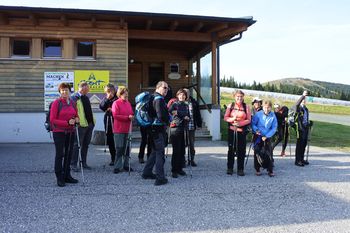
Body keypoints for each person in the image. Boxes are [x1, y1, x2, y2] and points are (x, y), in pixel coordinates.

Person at [50, 82, 79, 187]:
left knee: (69, 154)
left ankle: (67, 175)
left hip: (70, 132)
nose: (64, 92)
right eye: (62, 90)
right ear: (59, 92)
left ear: (69, 91)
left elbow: (76, 115)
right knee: (60, 154)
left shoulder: (72, 103)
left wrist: (76, 119)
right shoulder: (56, 103)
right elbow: (52, 120)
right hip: (59, 132)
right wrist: (66, 123)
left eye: (66, 90)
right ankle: (59, 177)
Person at [142, 81, 170, 186]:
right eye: (165, 88)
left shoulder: (152, 97)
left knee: (154, 151)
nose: (166, 90)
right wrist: (168, 120)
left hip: (152, 128)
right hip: (158, 129)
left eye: (167, 88)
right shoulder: (158, 99)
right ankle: (160, 178)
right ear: (158, 87)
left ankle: (146, 172)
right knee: (160, 153)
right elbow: (160, 115)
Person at [224, 90, 251, 176]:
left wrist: (240, 123)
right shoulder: (230, 106)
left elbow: (249, 120)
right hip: (232, 131)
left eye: (241, 97)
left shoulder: (246, 106)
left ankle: (240, 169)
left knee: (241, 150)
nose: (239, 98)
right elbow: (225, 117)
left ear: (243, 97)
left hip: (241, 132)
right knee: (231, 149)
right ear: (234, 97)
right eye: (237, 96)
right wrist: (232, 120)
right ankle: (230, 168)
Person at [71, 82, 95, 171]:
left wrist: (92, 123)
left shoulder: (86, 97)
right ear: (82, 88)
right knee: (77, 145)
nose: (89, 90)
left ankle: (83, 163)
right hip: (80, 125)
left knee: (85, 145)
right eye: (87, 88)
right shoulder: (74, 97)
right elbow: (72, 111)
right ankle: (73, 164)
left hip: (89, 124)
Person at [251, 100, 278, 177]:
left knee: (268, 153)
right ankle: (257, 169)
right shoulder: (258, 114)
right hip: (258, 135)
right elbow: (253, 123)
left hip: (267, 136)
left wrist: (267, 136)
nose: (267, 109)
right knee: (257, 152)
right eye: (265, 107)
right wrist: (256, 130)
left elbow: (274, 128)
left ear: (271, 108)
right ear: (262, 107)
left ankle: (270, 169)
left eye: (268, 107)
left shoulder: (273, 116)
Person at [111, 87, 134, 173]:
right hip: (119, 129)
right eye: (124, 93)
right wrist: (127, 117)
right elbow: (115, 115)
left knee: (127, 148)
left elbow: (131, 112)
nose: (126, 94)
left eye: (127, 93)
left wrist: (131, 116)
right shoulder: (115, 103)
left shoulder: (128, 103)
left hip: (128, 129)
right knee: (119, 148)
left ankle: (126, 165)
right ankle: (117, 166)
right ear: (120, 94)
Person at [168, 89, 190, 178]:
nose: (182, 96)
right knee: (176, 151)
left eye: (183, 95)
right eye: (180, 95)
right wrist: (182, 115)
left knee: (182, 150)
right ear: (177, 96)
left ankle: (180, 169)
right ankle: (174, 170)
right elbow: (170, 111)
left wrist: (186, 117)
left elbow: (188, 115)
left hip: (183, 129)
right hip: (175, 129)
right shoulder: (175, 104)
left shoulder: (186, 105)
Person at [292, 90, 312, 167]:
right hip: (300, 129)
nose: (304, 101)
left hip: (306, 128)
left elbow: (305, 118)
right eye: (302, 100)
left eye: (305, 100)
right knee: (299, 145)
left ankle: (302, 159)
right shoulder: (298, 108)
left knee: (304, 144)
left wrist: (309, 123)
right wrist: (303, 95)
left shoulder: (306, 109)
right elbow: (296, 104)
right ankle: (297, 160)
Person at [99, 83, 118, 166]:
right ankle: (113, 158)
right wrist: (107, 99)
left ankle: (120, 157)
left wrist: (112, 109)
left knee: (117, 140)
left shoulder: (117, 98)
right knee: (110, 140)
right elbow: (101, 107)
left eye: (110, 91)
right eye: (107, 91)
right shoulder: (106, 98)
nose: (109, 93)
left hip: (117, 121)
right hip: (108, 121)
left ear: (114, 90)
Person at [183, 88, 202, 167]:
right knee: (183, 144)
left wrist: (199, 124)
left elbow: (198, 114)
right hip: (182, 127)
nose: (186, 94)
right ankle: (182, 160)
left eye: (187, 92)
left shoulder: (194, 102)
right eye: (184, 93)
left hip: (191, 126)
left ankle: (192, 160)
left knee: (191, 144)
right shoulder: (179, 102)